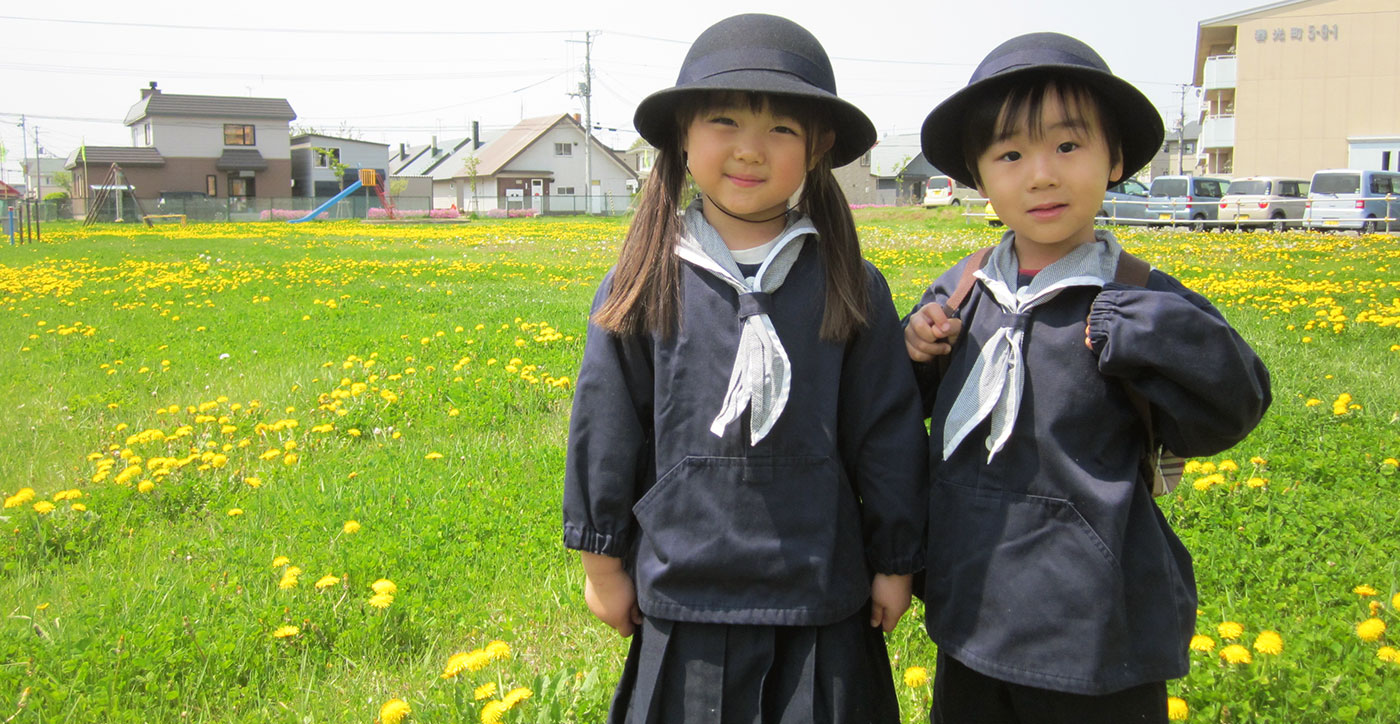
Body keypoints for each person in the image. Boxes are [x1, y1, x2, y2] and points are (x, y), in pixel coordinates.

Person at [563, 13, 927, 724]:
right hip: (684, 595)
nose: (750, 151)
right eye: (724, 121)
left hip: (822, 596)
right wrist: (603, 563)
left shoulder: (852, 283)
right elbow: (605, 423)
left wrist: (895, 557)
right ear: (682, 138)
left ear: (819, 147)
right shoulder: (644, 281)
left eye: (781, 131)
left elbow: (886, 430)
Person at [904, 33, 1272, 723]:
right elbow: (901, 415)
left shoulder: (1141, 297)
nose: (1040, 174)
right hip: (971, 615)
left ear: (1117, 159)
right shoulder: (961, 292)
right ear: (980, 179)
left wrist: (1145, 331)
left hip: (1098, 637)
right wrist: (915, 352)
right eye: (1009, 155)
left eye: (1068, 147)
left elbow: (1237, 402)